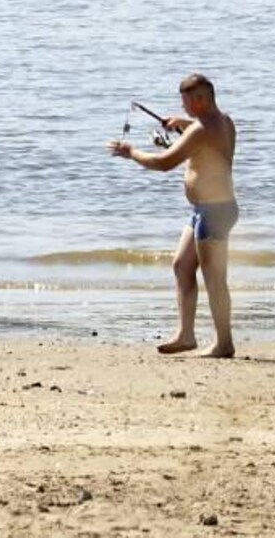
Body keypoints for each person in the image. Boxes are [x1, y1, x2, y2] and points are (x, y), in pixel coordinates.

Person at [106, 72, 239, 358]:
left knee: (215, 279)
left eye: (187, 102)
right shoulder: (223, 121)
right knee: (181, 265)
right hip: (206, 210)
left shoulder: (201, 130)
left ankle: (224, 343)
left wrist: (132, 153)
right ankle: (186, 335)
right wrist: (183, 122)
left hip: (214, 212)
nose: (184, 108)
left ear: (201, 100)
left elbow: (164, 162)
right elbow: (202, 128)